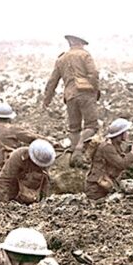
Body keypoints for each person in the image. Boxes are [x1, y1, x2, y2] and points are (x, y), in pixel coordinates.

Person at [42, 35, 100, 167]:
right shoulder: (85, 55)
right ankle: (79, 150)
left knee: (74, 128)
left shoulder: (61, 59)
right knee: (91, 125)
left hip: (70, 97)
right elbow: (93, 74)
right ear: (79, 42)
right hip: (85, 94)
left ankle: (74, 157)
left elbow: (52, 81)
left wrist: (47, 100)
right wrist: (95, 90)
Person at [85, 118, 133, 200]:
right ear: (120, 134)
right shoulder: (107, 148)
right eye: (126, 132)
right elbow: (121, 164)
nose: (128, 134)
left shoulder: (115, 145)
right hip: (97, 189)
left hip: (105, 186)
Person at [0, 139, 55, 204]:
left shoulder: (45, 159)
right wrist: (4, 204)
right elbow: (3, 180)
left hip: (30, 194)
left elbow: (46, 183)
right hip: (13, 190)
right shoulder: (18, 156)